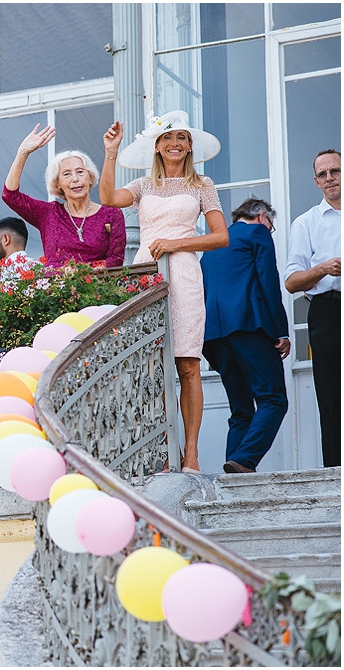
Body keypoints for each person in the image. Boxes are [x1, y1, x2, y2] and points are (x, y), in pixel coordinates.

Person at [101, 110, 229, 474]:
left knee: (187, 364)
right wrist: (111, 152)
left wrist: (176, 243)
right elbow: (108, 197)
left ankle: (190, 454)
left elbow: (221, 236)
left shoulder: (202, 184)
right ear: (156, 146)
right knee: (154, 368)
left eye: (182, 138)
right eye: (168, 137)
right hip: (147, 273)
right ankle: (163, 452)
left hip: (185, 272)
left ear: (190, 146)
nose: (175, 144)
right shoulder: (143, 186)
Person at [200, 199, 290, 474]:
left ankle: (234, 470)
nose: (269, 230)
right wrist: (281, 330)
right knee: (273, 399)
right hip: (249, 325)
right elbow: (268, 280)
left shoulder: (213, 245)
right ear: (262, 216)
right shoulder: (257, 233)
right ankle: (246, 459)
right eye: (271, 225)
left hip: (214, 335)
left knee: (241, 409)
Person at [284, 148, 341, 467]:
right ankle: (336, 474)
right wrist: (323, 269)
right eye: (323, 174)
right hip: (328, 312)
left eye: (335, 171)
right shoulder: (305, 223)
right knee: (332, 398)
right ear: (316, 182)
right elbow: (291, 282)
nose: (330, 178)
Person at [2, 124, 126, 268]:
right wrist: (22, 153)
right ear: (58, 183)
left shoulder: (112, 215)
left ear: (90, 177)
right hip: (56, 289)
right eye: (67, 174)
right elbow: (10, 196)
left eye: (80, 172)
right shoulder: (48, 214)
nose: (75, 179)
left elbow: (115, 260)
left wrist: (80, 272)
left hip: (96, 288)